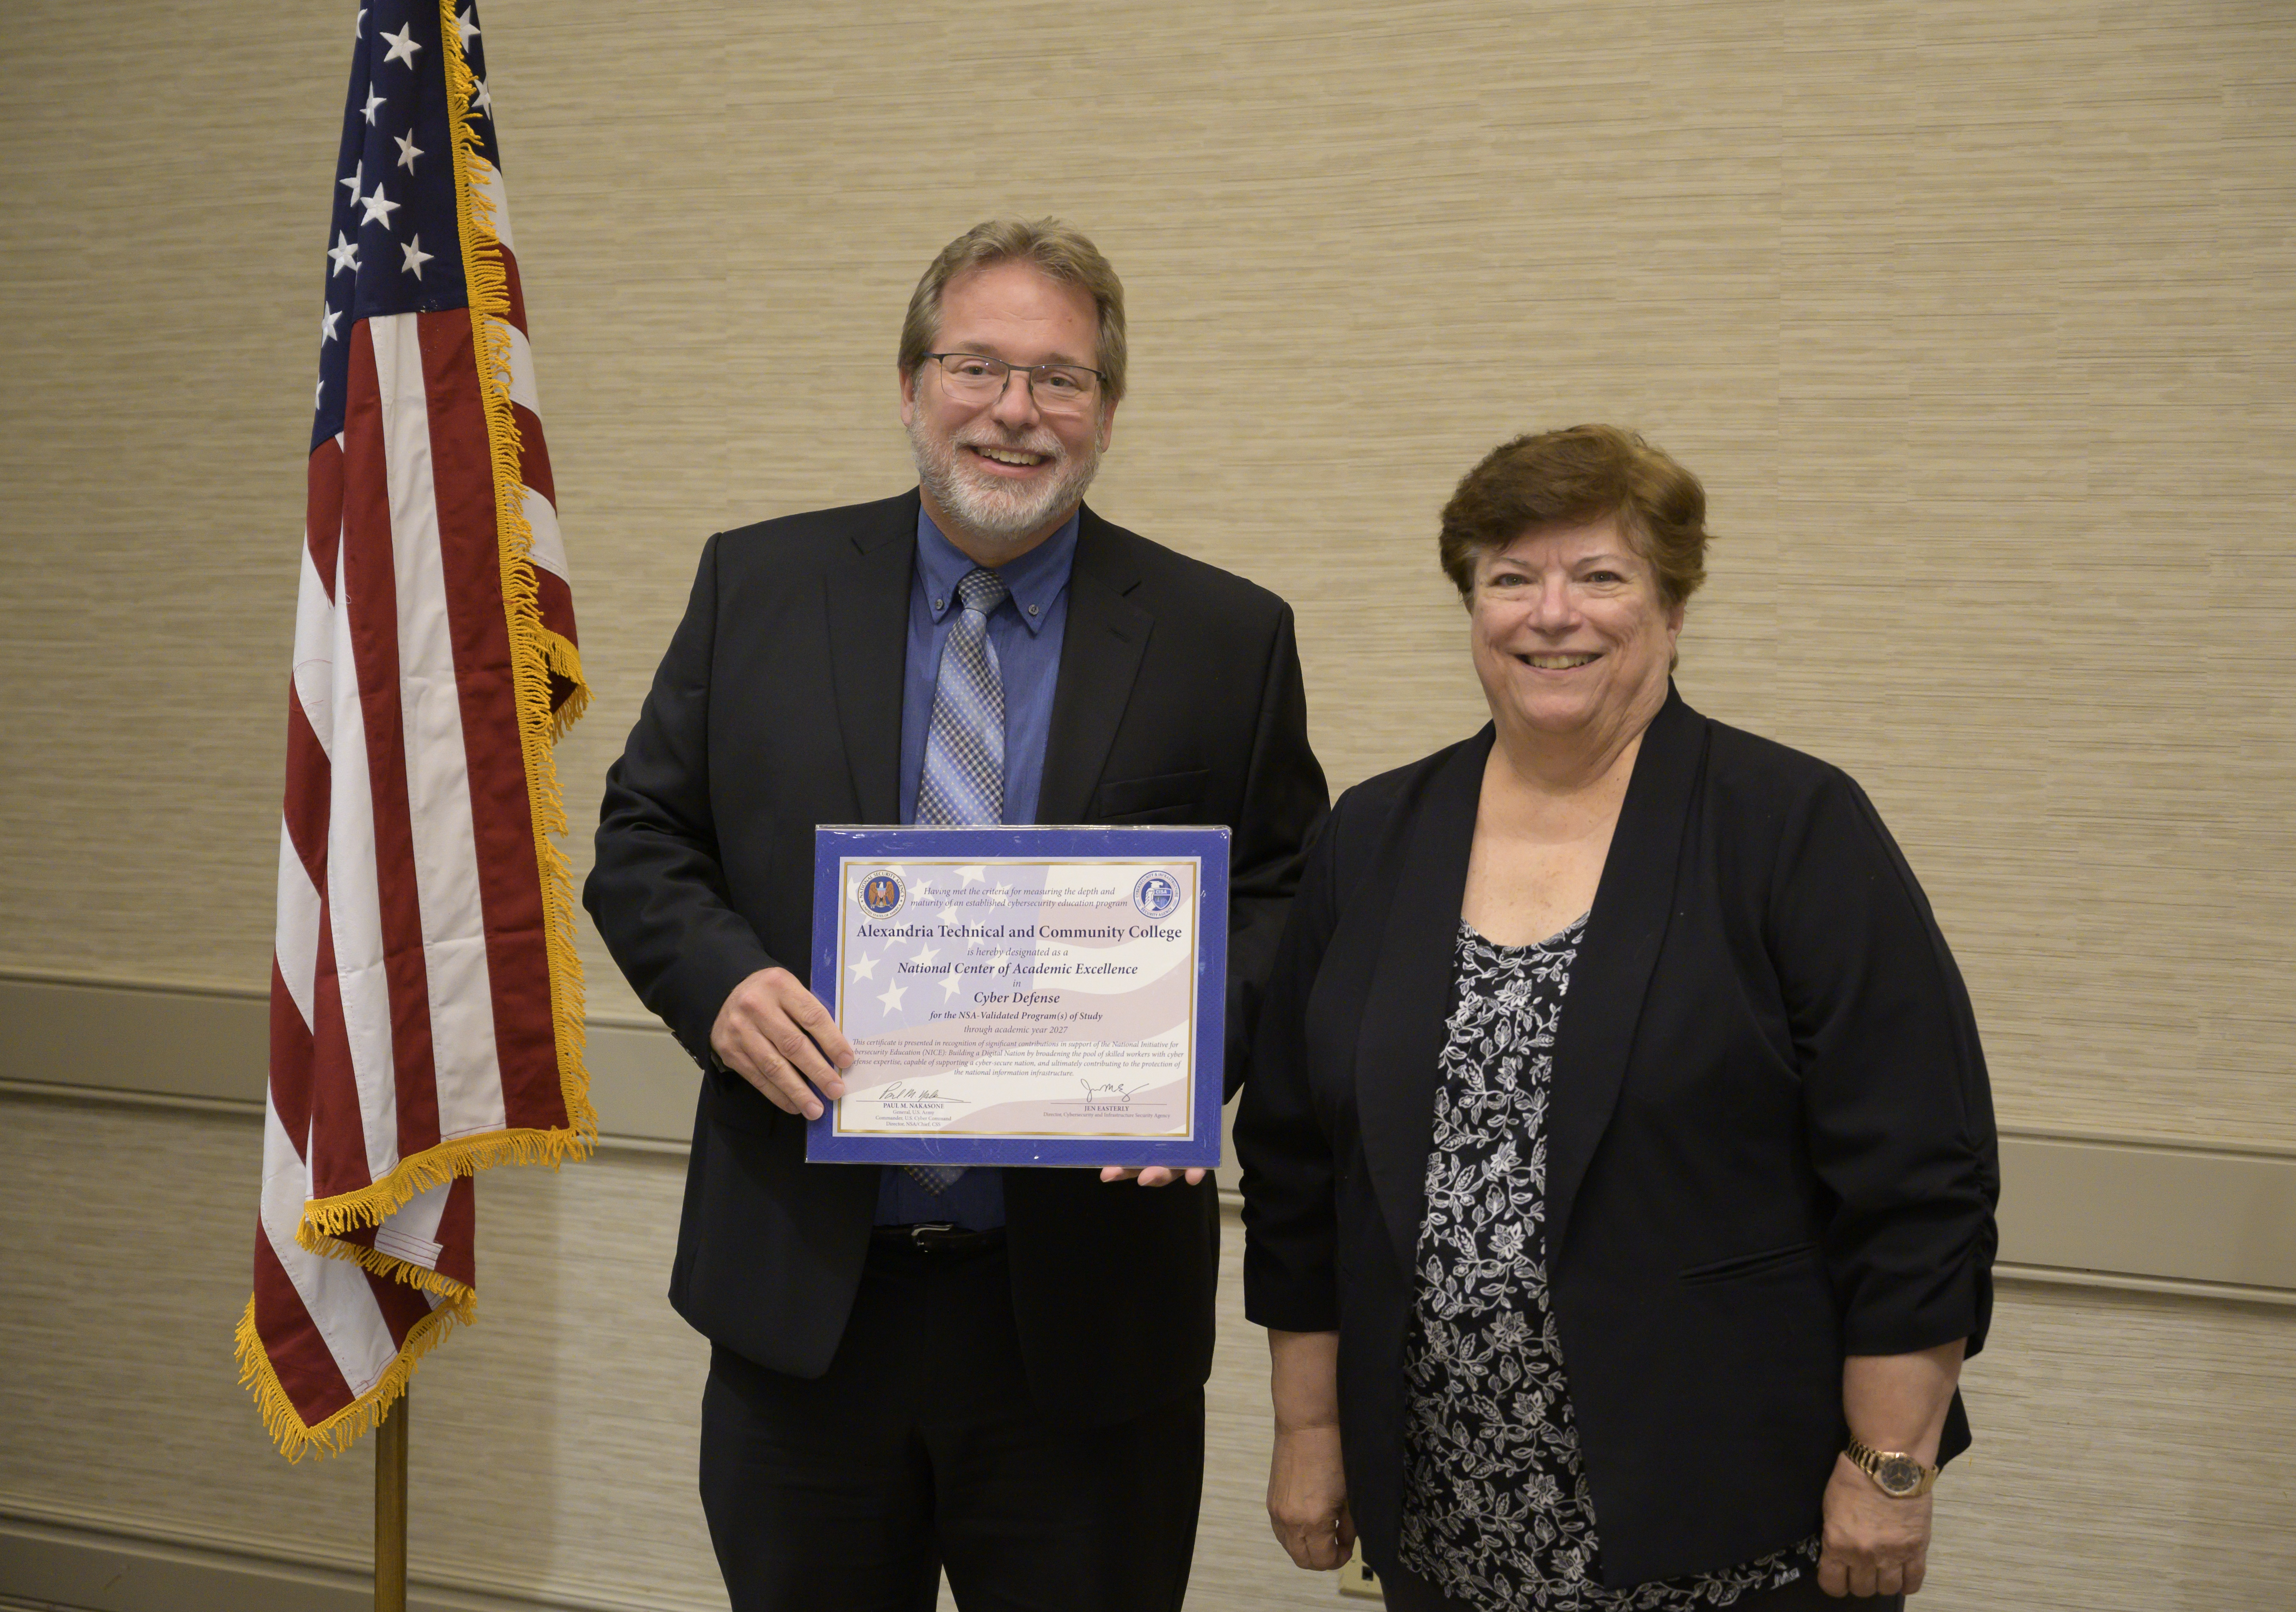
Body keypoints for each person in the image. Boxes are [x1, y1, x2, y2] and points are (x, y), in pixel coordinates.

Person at [583, 218, 1327, 1612]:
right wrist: (725, 986)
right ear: (913, 384)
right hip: (808, 1307)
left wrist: (1185, 1046)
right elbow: (643, 843)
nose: (1015, 411)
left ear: (1107, 412)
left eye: (1060, 378)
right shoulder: (760, 586)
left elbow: (1293, 895)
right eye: (978, 366)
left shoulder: (1226, 637)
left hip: (1084, 1328)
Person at [1234, 425, 1998, 1611]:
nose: (1554, 615)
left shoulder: (1790, 827)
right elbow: (1295, 1169)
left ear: (1672, 607)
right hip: (1448, 1535)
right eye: (1510, 579)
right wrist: (1308, 1428)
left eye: (1601, 577)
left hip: (1736, 1530)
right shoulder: (1374, 837)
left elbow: (1918, 1181)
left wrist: (1890, 1468)